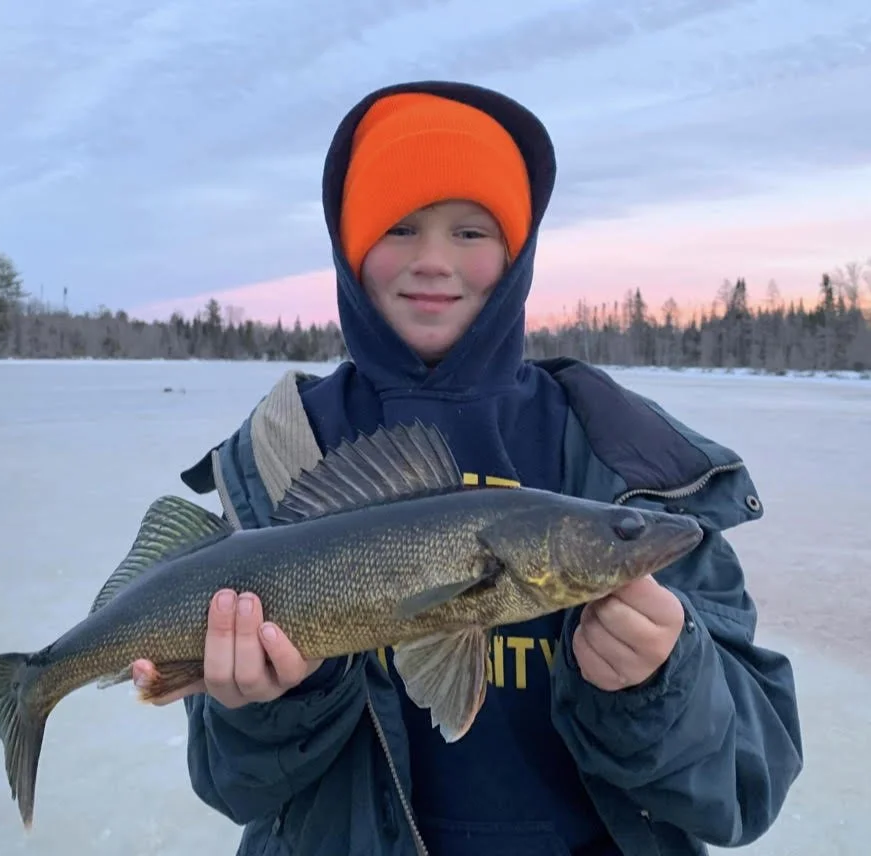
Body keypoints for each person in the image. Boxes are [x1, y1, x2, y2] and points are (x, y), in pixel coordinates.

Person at [130, 80, 803, 856]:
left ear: (516, 252)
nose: (432, 261)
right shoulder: (283, 453)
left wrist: (662, 686)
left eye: (470, 231)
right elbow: (235, 784)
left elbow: (749, 788)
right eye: (399, 226)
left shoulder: (634, 461)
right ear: (350, 246)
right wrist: (268, 705)